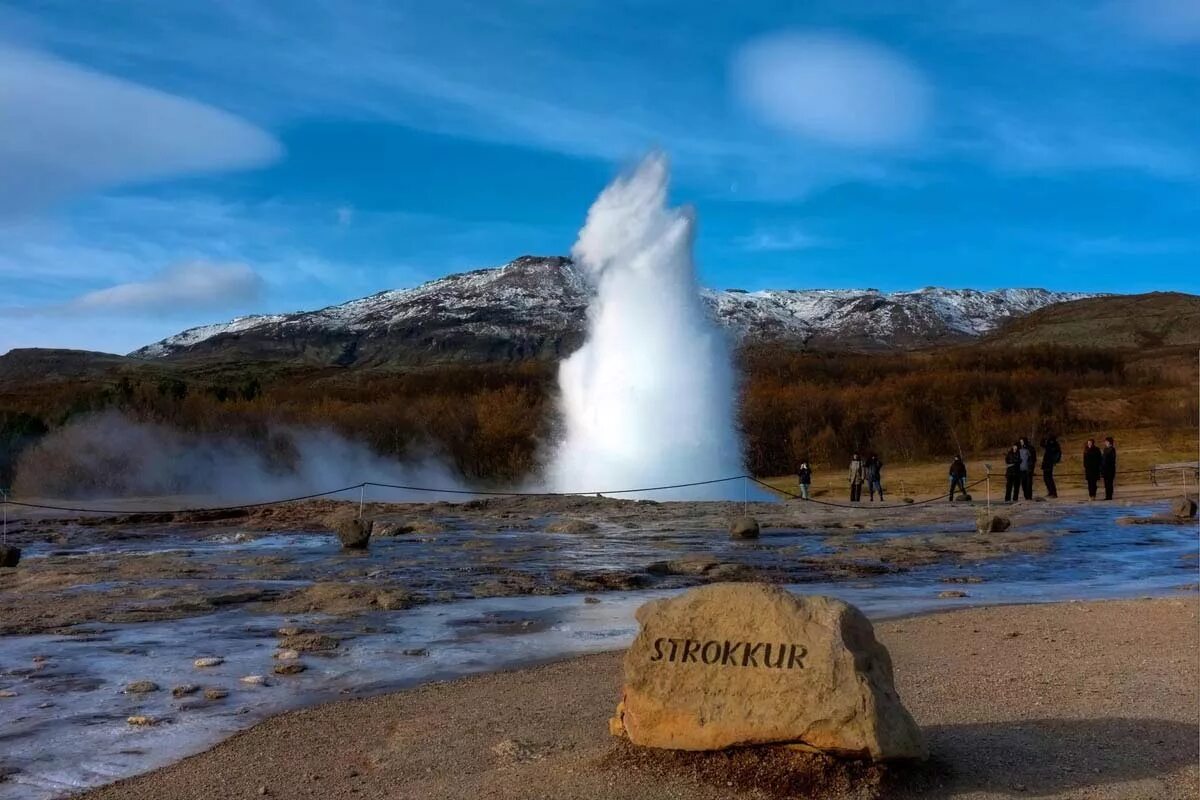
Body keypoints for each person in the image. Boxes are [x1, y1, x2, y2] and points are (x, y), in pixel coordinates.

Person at [1041, 434, 1062, 498]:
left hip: (1049, 463)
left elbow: (1058, 453)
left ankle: (1053, 493)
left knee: (1049, 478)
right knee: (1046, 478)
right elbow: (1042, 445)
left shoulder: (1055, 445)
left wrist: (1055, 461)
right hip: (1046, 462)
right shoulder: (1049, 444)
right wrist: (1043, 439)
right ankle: (1050, 492)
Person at [1101, 436, 1118, 500]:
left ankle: (1109, 496)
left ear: (1109, 442)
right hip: (1105, 469)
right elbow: (1103, 459)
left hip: (1110, 469)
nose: (1105, 442)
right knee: (1106, 483)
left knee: (1109, 483)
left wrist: (1107, 464)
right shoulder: (1105, 449)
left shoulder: (1112, 449)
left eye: (1106, 441)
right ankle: (1107, 495)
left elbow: (1112, 459)